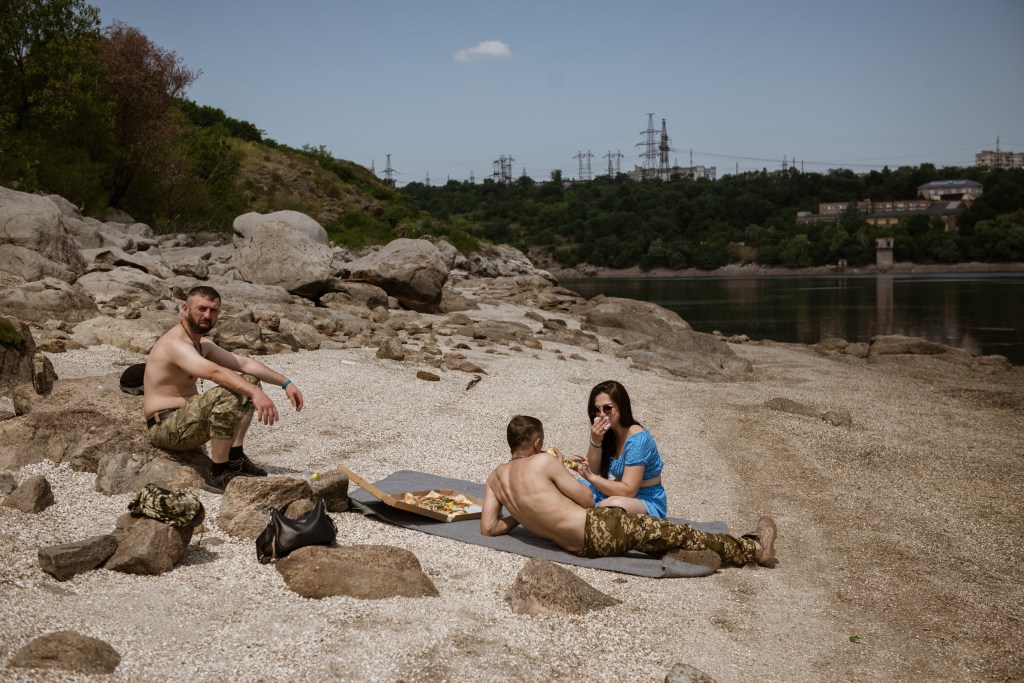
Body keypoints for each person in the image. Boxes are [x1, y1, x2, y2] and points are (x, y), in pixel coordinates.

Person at [481, 415, 776, 568]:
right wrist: (558, 467)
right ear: (537, 442)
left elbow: (489, 528)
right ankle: (754, 550)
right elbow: (586, 501)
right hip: (597, 529)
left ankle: (675, 549)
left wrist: (518, 511)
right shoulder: (544, 461)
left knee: (653, 534)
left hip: (573, 547)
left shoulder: (496, 478)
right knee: (679, 532)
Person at [143, 285, 304, 492]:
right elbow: (214, 373)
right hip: (165, 428)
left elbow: (245, 364)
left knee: (249, 379)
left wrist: (286, 383)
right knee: (227, 393)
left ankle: (235, 458)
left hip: (188, 421)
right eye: (201, 309)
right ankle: (218, 474)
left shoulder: (201, 344)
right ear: (185, 309)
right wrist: (255, 393)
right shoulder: (174, 344)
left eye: (213, 310)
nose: (207, 315)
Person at [577, 380, 668, 518]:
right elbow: (595, 470)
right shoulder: (610, 434)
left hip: (645, 499)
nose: (601, 414)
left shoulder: (637, 440)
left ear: (621, 407)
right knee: (572, 486)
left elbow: (628, 490)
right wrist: (595, 441)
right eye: (597, 409)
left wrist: (590, 477)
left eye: (607, 408)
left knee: (609, 505)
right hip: (617, 491)